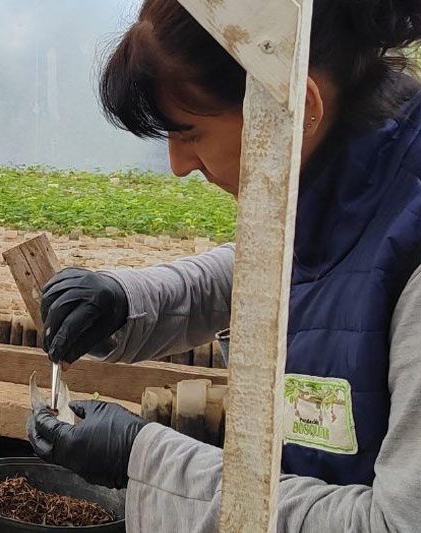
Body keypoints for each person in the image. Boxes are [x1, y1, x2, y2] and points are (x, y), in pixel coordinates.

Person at [27, 1, 421, 531]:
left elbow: (394, 524)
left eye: (189, 133)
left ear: (298, 106)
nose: (177, 165)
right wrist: (125, 302)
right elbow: (286, 266)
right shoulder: (353, 174)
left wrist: (143, 459)